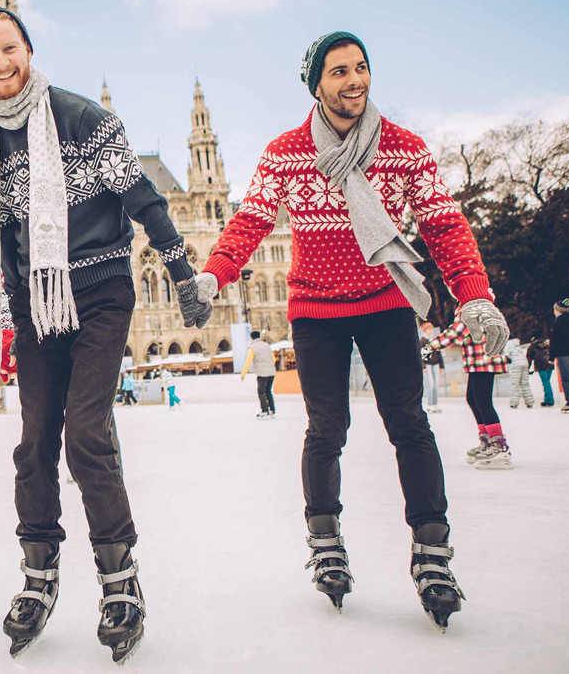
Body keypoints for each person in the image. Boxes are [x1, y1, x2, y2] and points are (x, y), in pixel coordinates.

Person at [189, 31, 508, 629]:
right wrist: (214, 275)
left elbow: (444, 224)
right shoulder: (286, 153)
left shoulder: (403, 148)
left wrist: (474, 294)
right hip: (316, 311)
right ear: (317, 85)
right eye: (339, 71)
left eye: (360, 67)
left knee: (408, 423)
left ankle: (432, 551)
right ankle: (326, 538)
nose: (354, 80)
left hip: (385, 300)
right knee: (327, 426)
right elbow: (250, 222)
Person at [0, 5, 206, 662]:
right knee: (34, 440)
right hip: (37, 308)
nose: (1, 63)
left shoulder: (81, 119)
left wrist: (183, 273)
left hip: (99, 292)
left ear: (29, 49)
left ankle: (119, 579)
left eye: (8, 48)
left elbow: (142, 198)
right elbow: (0, 248)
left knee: (87, 431)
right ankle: (39, 575)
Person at [427, 322, 512, 469]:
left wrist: (430, 346)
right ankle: (487, 440)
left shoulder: (471, 305)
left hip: (483, 358)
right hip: (477, 359)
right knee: (473, 399)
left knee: (482, 401)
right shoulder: (471, 305)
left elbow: (455, 333)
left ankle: (499, 446)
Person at [241, 331, 277, 419]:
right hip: (271, 371)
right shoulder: (267, 345)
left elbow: (248, 361)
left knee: (261, 392)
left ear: (251, 338)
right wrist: (269, 366)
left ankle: (265, 411)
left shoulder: (252, 347)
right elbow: (273, 359)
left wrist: (243, 374)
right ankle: (272, 410)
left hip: (262, 372)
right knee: (268, 391)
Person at [419, 321, 444, 414]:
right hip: (427, 365)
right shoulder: (421, 341)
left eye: (431, 329)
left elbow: (439, 353)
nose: (430, 331)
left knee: (436, 385)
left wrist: (441, 365)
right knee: (430, 385)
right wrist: (423, 366)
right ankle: (430, 405)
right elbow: (420, 355)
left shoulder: (434, 340)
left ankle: (435, 404)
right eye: (429, 329)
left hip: (436, 364)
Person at [503, 338, 534, 410]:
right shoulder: (517, 344)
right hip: (524, 363)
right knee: (525, 383)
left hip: (515, 364)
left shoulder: (508, 344)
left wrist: (507, 362)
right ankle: (529, 402)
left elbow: (506, 355)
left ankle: (514, 403)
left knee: (515, 384)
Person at [527, 336, 555, 407]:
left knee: (546, 382)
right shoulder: (547, 344)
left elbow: (529, 357)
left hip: (540, 365)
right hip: (549, 364)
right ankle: (547, 399)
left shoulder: (533, 346)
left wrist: (528, 368)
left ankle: (550, 399)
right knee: (547, 382)